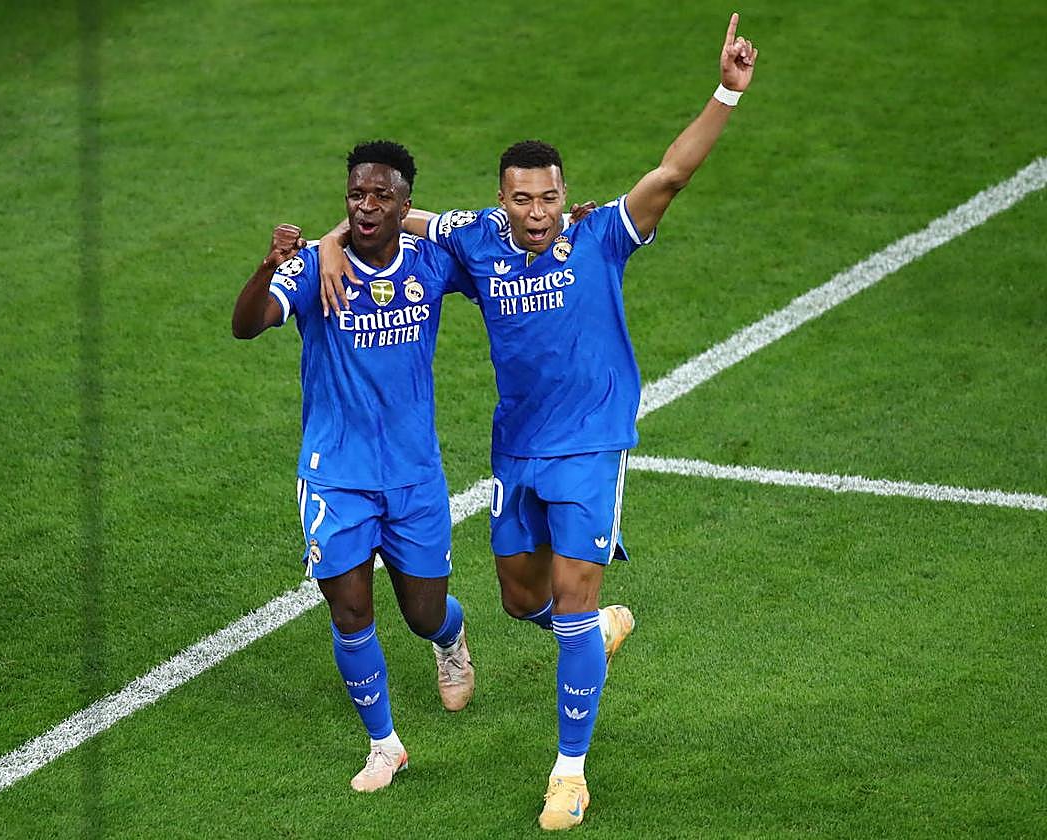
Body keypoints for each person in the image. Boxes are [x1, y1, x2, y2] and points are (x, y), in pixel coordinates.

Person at [318, 14, 757, 830]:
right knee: (522, 602)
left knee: (573, 597)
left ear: (565, 194)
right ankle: (595, 629)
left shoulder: (601, 237)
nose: (536, 211)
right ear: (502, 200)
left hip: (591, 444)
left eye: (548, 196)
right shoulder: (476, 240)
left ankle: (569, 773)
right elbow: (391, 221)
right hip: (515, 447)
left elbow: (670, 174)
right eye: (521, 198)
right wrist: (332, 242)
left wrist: (727, 88)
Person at [232, 140, 476, 793]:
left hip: (413, 473)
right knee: (348, 608)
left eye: (380, 196)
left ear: (404, 203)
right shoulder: (314, 268)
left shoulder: (431, 260)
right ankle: (384, 744)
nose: (365, 206)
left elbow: (500, 259)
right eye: (355, 196)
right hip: (335, 471)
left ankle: (450, 638)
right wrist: (269, 266)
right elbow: (248, 325)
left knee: (422, 612)